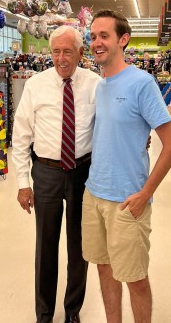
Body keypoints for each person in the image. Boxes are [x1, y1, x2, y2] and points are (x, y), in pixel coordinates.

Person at [82, 10, 171, 323]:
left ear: (123, 40)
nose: (96, 42)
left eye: (104, 36)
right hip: (94, 194)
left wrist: (145, 193)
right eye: (93, 36)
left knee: (135, 278)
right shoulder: (99, 85)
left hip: (128, 200)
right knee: (104, 266)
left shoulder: (142, 83)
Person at [12, 25, 101, 323]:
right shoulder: (36, 85)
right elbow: (21, 136)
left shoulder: (95, 84)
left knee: (80, 246)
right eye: (56, 51)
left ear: (79, 52)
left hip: (82, 173)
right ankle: (44, 313)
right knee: (45, 246)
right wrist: (23, 184)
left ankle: (72, 310)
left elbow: (108, 126)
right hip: (46, 173)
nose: (61, 58)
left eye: (67, 51)